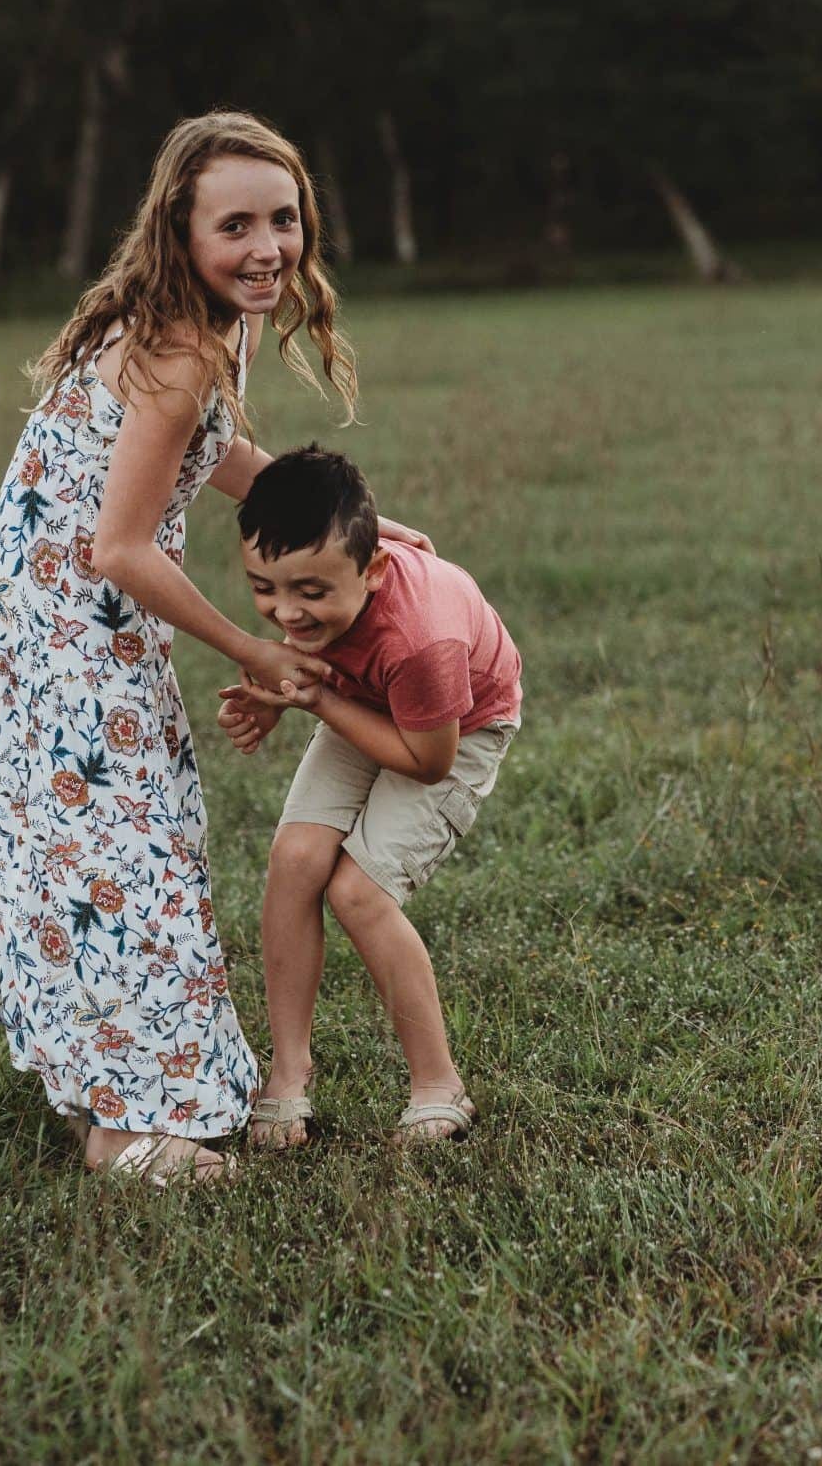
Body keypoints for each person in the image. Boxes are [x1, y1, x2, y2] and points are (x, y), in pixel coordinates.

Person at [0, 112, 422, 1187]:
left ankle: (101, 1092)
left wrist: (359, 527)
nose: (268, 246)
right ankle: (123, 1129)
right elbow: (117, 545)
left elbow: (213, 451)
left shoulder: (214, 320)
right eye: (236, 224)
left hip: (50, 608)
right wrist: (248, 646)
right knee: (125, 855)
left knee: (100, 850)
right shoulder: (178, 342)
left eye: (285, 219)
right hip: (53, 619)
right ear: (180, 228)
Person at [216, 447, 524, 1148]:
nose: (286, 612)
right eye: (265, 587)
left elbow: (425, 759)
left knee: (359, 891)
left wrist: (317, 698)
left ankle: (439, 1086)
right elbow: (323, 660)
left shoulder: (422, 640)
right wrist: (279, 699)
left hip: (455, 726)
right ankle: (288, 1076)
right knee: (295, 857)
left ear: (374, 568)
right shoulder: (328, 588)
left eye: (311, 592)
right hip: (367, 699)